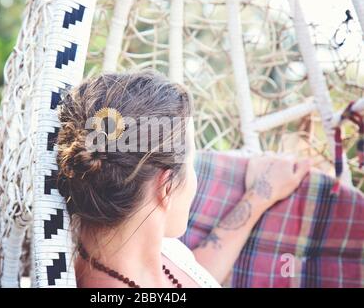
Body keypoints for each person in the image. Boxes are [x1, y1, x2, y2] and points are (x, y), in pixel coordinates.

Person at [56, 70, 311, 288]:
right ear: (166, 187)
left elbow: (197, 270)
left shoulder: (145, 253)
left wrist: (259, 197)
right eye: (192, 165)